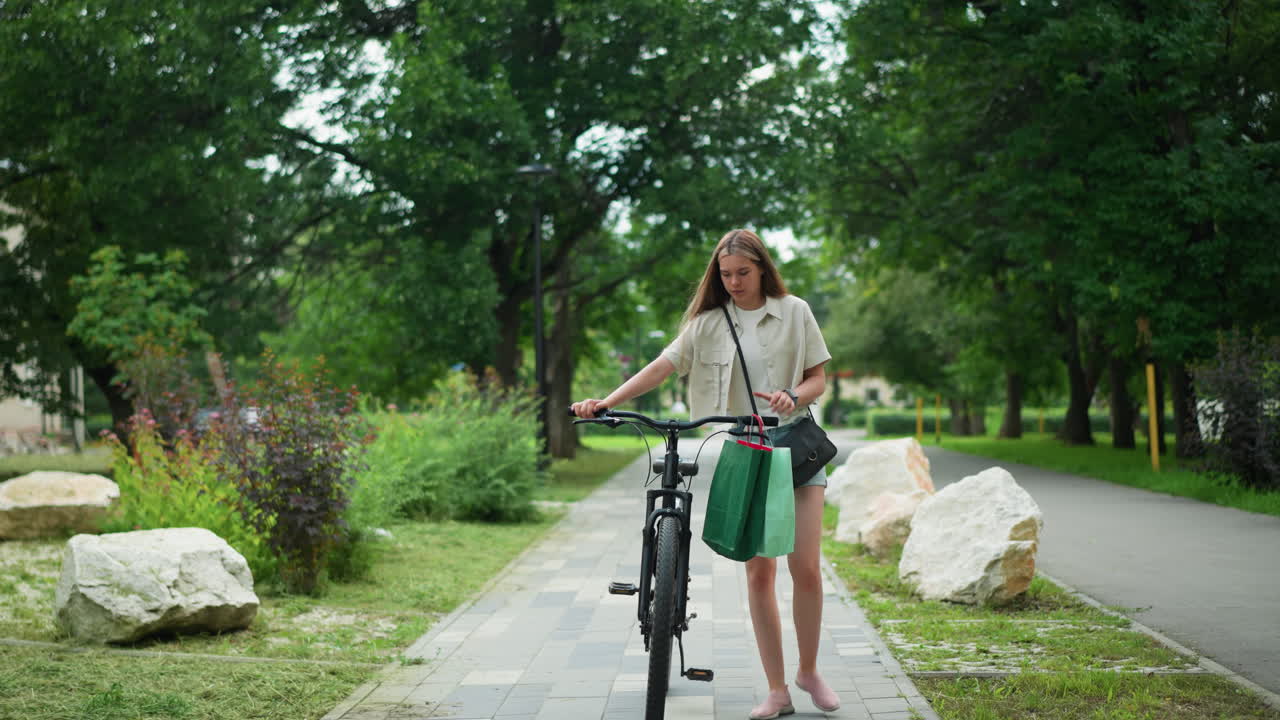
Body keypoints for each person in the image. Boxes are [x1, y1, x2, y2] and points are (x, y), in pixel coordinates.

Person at [571, 228, 840, 720]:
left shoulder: (796, 311)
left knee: (807, 569)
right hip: (746, 451)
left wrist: (792, 396)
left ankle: (809, 670)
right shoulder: (708, 323)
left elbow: (820, 377)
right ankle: (777, 690)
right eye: (725, 274)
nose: (734, 282)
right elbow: (660, 366)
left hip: (797, 447)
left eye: (742, 272)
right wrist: (606, 402)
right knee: (760, 572)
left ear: (762, 268)